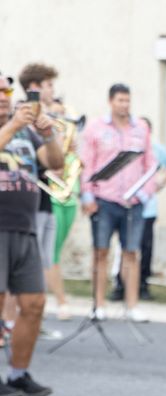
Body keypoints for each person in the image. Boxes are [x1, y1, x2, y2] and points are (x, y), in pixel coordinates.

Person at [0, 70, 63, 396]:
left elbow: (56, 164)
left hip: (24, 228)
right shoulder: (13, 128)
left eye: (6, 92)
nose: (3, 96)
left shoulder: (26, 133)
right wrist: (12, 126)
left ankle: (18, 374)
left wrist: (48, 133)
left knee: (34, 303)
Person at [77, 83, 156, 323]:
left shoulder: (140, 128)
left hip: (133, 200)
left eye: (127, 100)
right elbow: (87, 163)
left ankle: (132, 305)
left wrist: (145, 192)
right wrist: (88, 195)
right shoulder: (96, 128)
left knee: (131, 252)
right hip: (105, 198)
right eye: (120, 100)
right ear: (111, 101)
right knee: (101, 251)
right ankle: (98, 304)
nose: (124, 105)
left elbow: (150, 163)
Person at [15, 64, 67, 322]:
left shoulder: (45, 118)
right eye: (48, 85)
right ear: (34, 88)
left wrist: (53, 139)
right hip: (21, 204)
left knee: (43, 260)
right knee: (20, 267)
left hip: (42, 198)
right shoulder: (20, 116)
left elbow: (54, 160)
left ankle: (33, 319)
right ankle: (11, 322)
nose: (52, 91)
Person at [110, 117, 166, 302]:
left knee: (145, 248)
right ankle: (120, 284)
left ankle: (142, 284)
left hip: (147, 207)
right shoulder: (128, 147)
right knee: (124, 247)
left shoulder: (156, 149)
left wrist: (161, 183)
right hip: (127, 205)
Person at [45, 97, 81, 320]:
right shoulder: (46, 138)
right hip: (52, 197)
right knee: (51, 253)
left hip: (70, 196)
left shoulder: (70, 140)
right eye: (57, 115)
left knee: (57, 251)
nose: (63, 120)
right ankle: (61, 301)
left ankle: (59, 298)